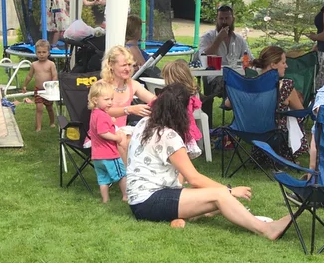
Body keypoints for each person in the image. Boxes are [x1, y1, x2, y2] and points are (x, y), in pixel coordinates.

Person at [123, 81, 293, 238]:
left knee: (215, 197)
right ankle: (265, 229)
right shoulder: (168, 135)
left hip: (141, 198)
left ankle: (187, 213)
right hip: (149, 201)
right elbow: (194, 178)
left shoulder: (145, 122)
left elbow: (182, 176)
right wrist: (230, 190)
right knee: (220, 195)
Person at [253, 45, 306, 158]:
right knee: (294, 115)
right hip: (278, 142)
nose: (286, 66)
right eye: (283, 63)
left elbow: (227, 104)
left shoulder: (250, 84)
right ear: (273, 65)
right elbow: (301, 112)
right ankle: (296, 149)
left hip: (253, 136)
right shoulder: (285, 86)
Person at [87, 80, 131, 204]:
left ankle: (105, 200)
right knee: (122, 174)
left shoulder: (95, 113)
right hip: (109, 154)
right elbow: (102, 132)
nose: (110, 102)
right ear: (95, 100)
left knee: (103, 179)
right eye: (106, 100)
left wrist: (110, 120)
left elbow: (98, 127)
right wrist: (116, 138)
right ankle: (125, 196)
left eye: (111, 99)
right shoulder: (102, 115)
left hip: (97, 155)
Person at [157, 59, 205, 155]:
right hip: (186, 130)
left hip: (175, 131)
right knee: (184, 158)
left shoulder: (170, 97)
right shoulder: (190, 96)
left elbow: (156, 106)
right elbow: (197, 105)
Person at [102, 45, 156, 121]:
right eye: (123, 65)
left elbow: (155, 101)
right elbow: (101, 112)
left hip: (123, 131)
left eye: (130, 65)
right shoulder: (101, 86)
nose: (128, 69)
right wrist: (129, 110)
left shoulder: (133, 85)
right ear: (111, 65)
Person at [30, 39, 59, 133]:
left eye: (44, 52)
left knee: (49, 108)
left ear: (48, 52)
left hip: (48, 90)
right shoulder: (34, 64)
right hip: (38, 90)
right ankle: (38, 127)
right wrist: (25, 86)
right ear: (36, 53)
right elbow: (29, 76)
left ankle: (52, 122)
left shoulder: (51, 64)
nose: (41, 54)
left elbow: (55, 75)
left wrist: (53, 84)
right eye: (39, 52)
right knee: (39, 108)